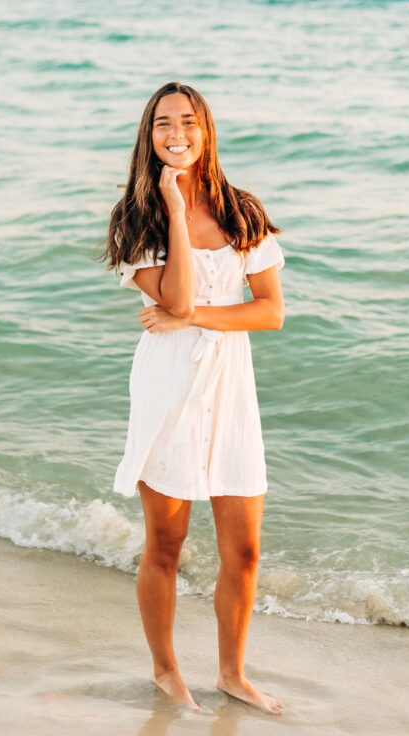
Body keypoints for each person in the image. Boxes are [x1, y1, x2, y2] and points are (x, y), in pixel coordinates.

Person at [105, 81, 286, 715]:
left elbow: (270, 314)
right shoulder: (134, 218)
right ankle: (165, 670)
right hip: (168, 386)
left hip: (232, 389)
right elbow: (174, 300)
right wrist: (177, 213)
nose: (176, 133)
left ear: (206, 130)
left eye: (187, 121)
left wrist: (193, 317)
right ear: (147, 136)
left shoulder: (242, 209)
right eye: (162, 124)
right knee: (167, 543)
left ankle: (233, 674)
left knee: (243, 549)